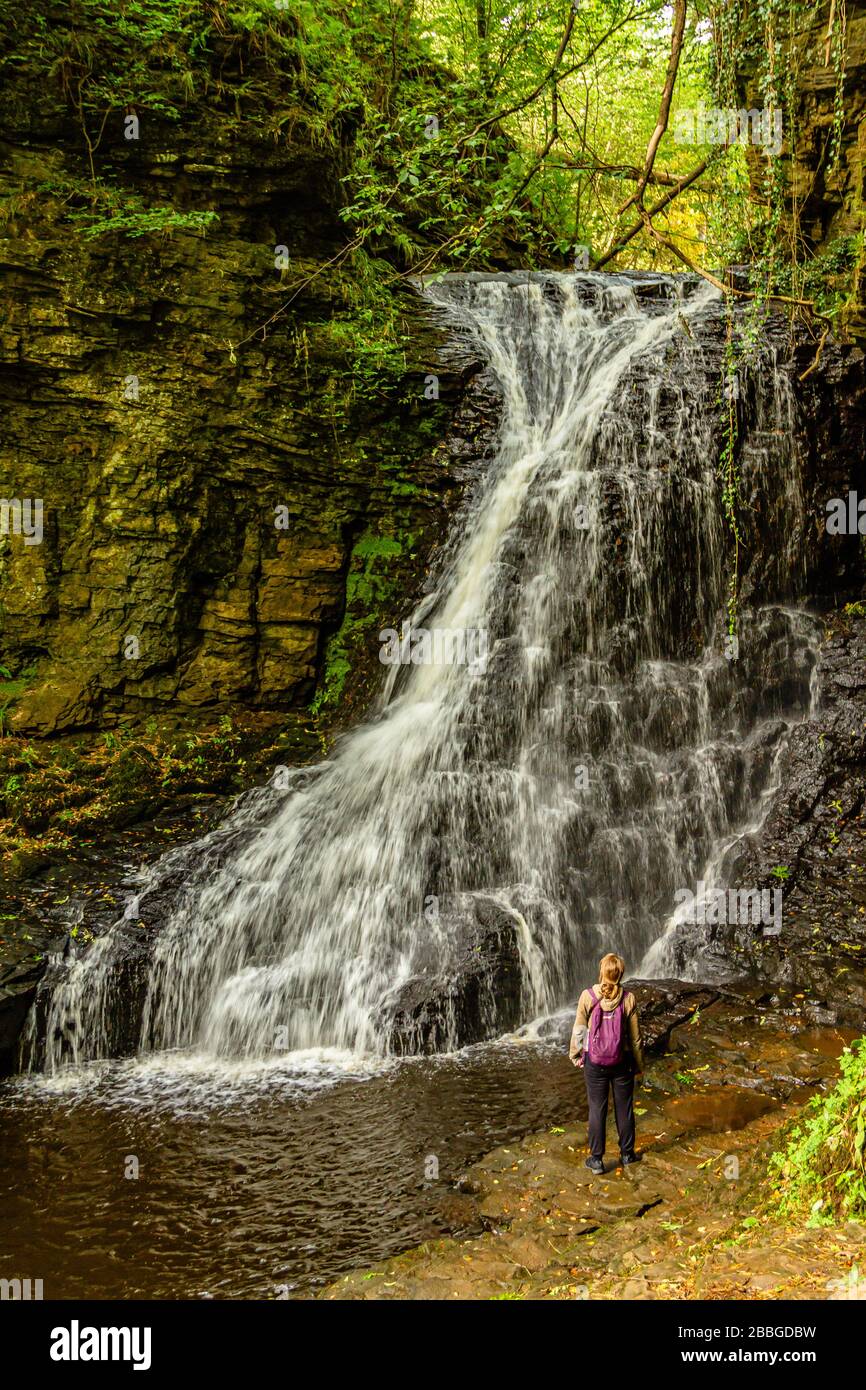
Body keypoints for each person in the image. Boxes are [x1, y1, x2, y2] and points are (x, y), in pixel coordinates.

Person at [569, 952, 645, 1173]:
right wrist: (639, 1065)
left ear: (601, 971)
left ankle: (596, 1160)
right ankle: (628, 1154)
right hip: (622, 1063)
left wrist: (576, 1055)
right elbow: (636, 1038)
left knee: (596, 1109)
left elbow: (579, 1030)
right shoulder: (628, 998)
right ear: (620, 974)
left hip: (595, 1063)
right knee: (624, 1108)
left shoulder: (587, 996)